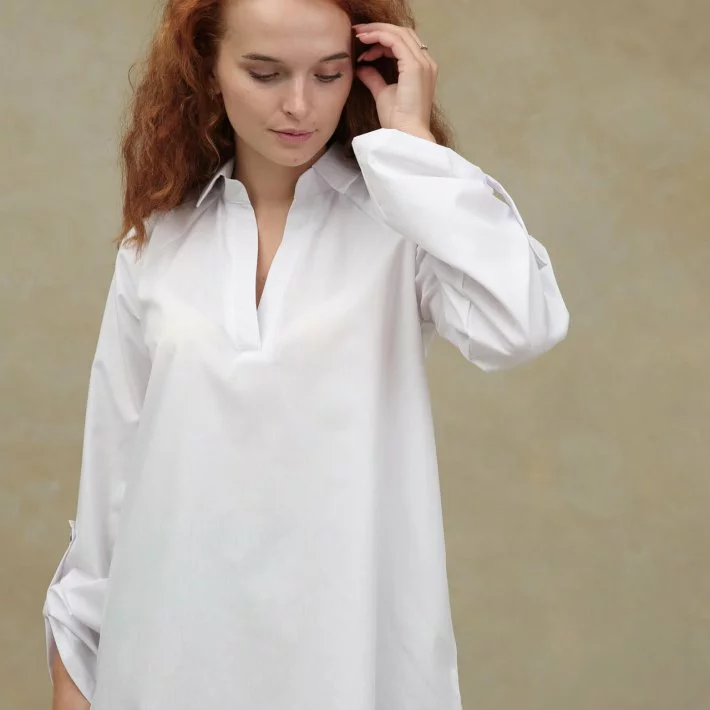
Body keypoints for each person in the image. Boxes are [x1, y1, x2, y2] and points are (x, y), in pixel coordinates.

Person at [44, 0, 569, 707]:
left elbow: (521, 324)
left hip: (349, 657)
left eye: (328, 74)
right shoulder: (159, 241)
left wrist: (413, 142)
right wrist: (75, 664)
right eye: (265, 73)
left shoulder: (405, 222)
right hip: (166, 656)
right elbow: (112, 476)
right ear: (208, 69)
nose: (300, 105)